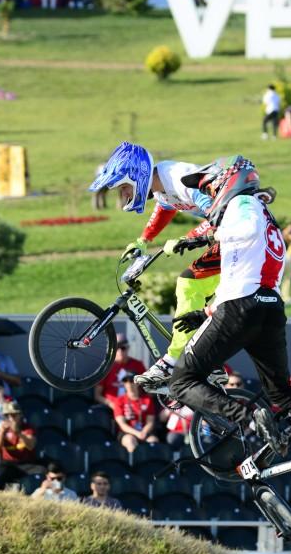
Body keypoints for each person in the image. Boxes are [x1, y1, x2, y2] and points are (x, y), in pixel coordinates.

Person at [164, 156, 291, 479]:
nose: (208, 195)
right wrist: (205, 312)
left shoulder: (243, 206)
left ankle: (249, 417)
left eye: (211, 186)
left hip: (240, 308)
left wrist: (210, 236)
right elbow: (246, 270)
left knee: (180, 381)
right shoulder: (266, 215)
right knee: (282, 395)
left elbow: (243, 233)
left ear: (227, 181)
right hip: (269, 307)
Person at [89, 142, 243, 388]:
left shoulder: (178, 178)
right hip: (232, 235)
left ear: (138, 176)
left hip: (239, 233)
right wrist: (143, 241)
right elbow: (165, 207)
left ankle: (172, 360)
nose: (125, 195)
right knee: (196, 294)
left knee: (189, 284)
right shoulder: (161, 186)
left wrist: (187, 238)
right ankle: (209, 362)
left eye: (125, 188)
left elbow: (219, 214)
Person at [0, 401, 42, 490]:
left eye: (13, 415)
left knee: (41, 471)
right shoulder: (1, 430)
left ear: (20, 415)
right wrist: (2, 433)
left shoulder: (28, 429)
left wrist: (18, 433)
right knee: (1, 475)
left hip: (26, 463)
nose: (10, 418)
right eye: (7, 416)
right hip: (8, 464)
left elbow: (31, 446)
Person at [94, 333, 147, 408]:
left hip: (134, 409)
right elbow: (97, 395)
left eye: (123, 348)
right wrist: (111, 404)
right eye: (117, 348)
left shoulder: (138, 365)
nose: (120, 351)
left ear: (128, 348)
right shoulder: (106, 367)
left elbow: (148, 391)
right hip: (110, 409)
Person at [112, 374, 161, 453]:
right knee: (130, 441)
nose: (129, 384)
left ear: (138, 383)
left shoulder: (147, 399)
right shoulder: (119, 401)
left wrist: (144, 432)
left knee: (153, 441)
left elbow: (150, 422)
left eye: (131, 381)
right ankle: (135, 464)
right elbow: (122, 424)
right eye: (125, 381)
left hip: (144, 431)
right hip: (127, 432)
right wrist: (137, 433)